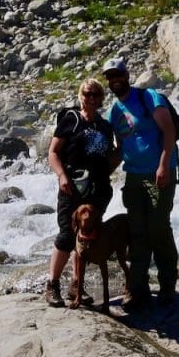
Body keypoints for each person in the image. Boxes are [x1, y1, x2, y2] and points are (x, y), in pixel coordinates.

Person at [102, 57, 179, 311]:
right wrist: (101, 173)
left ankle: (167, 285)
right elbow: (121, 146)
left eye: (118, 75)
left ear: (127, 75)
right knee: (137, 231)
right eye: (110, 77)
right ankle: (138, 289)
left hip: (159, 172)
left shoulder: (149, 97)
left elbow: (168, 131)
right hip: (133, 176)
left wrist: (163, 165)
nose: (115, 80)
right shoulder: (115, 111)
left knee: (158, 227)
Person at [44, 78, 121, 307]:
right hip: (72, 186)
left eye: (96, 94)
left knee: (88, 236)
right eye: (88, 94)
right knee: (67, 235)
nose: (91, 98)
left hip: (96, 189)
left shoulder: (105, 127)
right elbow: (53, 152)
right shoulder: (71, 120)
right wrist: (62, 176)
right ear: (80, 95)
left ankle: (76, 285)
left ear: (101, 99)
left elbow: (110, 159)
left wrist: (121, 154)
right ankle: (52, 284)